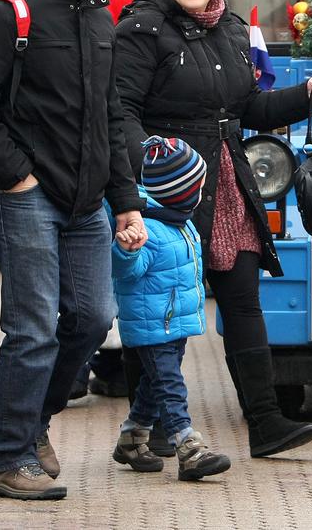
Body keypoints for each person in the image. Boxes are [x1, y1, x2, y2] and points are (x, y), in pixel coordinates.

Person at [0, 0, 147, 501]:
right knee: (33, 328)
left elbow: (110, 114)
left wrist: (126, 200)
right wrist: (17, 175)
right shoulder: (9, 11)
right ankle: (8, 458)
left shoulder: (97, 9)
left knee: (93, 316)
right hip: (28, 195)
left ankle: (34, 425)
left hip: (88, 200)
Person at [114, 0, 312, 459]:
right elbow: (119, 111)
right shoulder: (141, 29)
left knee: (242, 302)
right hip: (170, 191)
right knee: (170, 312)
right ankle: (153, 427)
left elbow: (246, 109)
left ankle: (265, 423)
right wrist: (154, 163)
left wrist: (303, 97)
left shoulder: (232, 29)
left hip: (229, 185)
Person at [111, 136, 231, 481]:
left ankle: (132, 439)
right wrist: (128, 251)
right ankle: (188, 447)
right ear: (183, 192)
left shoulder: (180, 221)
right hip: (153, 325)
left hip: (171, 323)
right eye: (200, 185)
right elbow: (126, 272)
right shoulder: (147, 228)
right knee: (170, 385)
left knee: (154, 383)